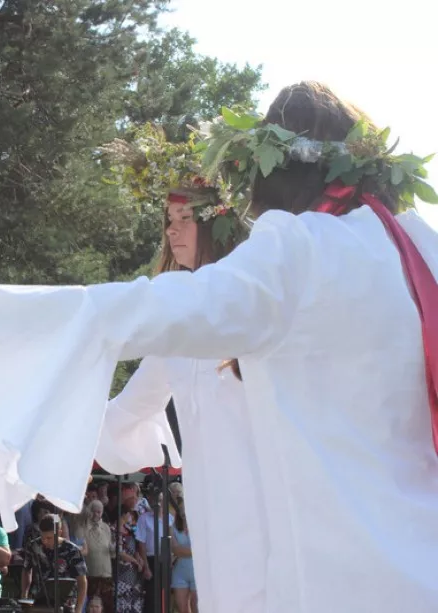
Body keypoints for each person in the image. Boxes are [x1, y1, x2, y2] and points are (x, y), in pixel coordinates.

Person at [0, 81, 438, 612]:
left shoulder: (300, 251)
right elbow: (123, 418)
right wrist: (4, 427)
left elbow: (135, 311)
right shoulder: (419, 244)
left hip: (339, 578)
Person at [95, 128, 268, 613]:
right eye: (168, 220)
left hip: (266, 491)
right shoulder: (175, 324)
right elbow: (126, 411)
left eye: (184, 218)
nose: (171, 231)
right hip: (209, 501)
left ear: (217, 221)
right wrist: (46, 428)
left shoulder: (253, 301)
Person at [21, 514, 88, 613]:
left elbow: (82, 582)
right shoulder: (33, 546)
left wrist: (78, 610)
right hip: (39, 603)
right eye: (42, 536)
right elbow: (26, 570)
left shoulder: (72, 550)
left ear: (59, 533)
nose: (44, 541)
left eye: (49, 538)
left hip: (66, 604)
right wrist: (24, 595)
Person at [169, 497, 197, 613]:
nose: (184, 511)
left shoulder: (199, 527)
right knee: (182, 609)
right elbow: (176, 550)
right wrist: (194, 551)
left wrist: (184, 551)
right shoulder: (172, 528)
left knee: (197, 607)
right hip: (180, 572)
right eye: (181, 508)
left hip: (197, 572)